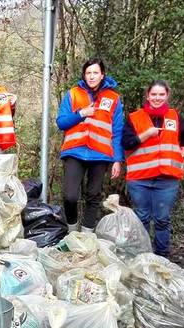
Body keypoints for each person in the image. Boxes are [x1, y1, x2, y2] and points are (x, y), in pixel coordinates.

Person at [122, 80, 184, 257]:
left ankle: (162, 258)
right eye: (154, 94)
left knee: (162, 220)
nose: (157, 98)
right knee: (142, 218)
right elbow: (126, 143)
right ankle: (142, 256)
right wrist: (146, 134)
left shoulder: (175, 116)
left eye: (161, 94)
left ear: (167, 95)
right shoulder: (134, 117)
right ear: (147, 96)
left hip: (167, 179)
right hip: (140, 178)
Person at [56, 58, 124, 232]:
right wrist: (81, 113)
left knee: (93, 196)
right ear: (84, 75)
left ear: (102, 75)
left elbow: (117, 131)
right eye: (88, 73)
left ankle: (86, 236)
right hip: (74, 151)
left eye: (95, 73)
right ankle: (72, 232)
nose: (92, 76)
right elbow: (61, 122)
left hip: (100, 153)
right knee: (70, 196)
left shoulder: (114, 98)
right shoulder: (73, 94)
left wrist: (117, 159)